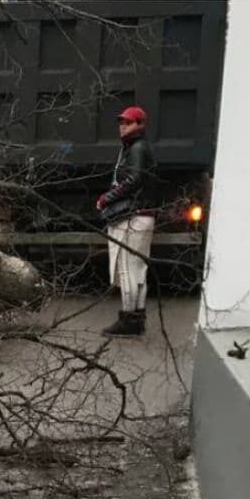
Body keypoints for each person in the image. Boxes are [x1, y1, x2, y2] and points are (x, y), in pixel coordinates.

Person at [96, 105, 157, 336]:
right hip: (143, 214)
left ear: (140, 125)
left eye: (128, 122)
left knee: (128, 268)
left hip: (134, 216)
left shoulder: (137, 148)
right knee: (138, 269)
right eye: (121, 122)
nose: (123, 126)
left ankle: (129, 320)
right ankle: (137, 317)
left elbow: (134, 179)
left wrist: (106, 199)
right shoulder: (137, 147)